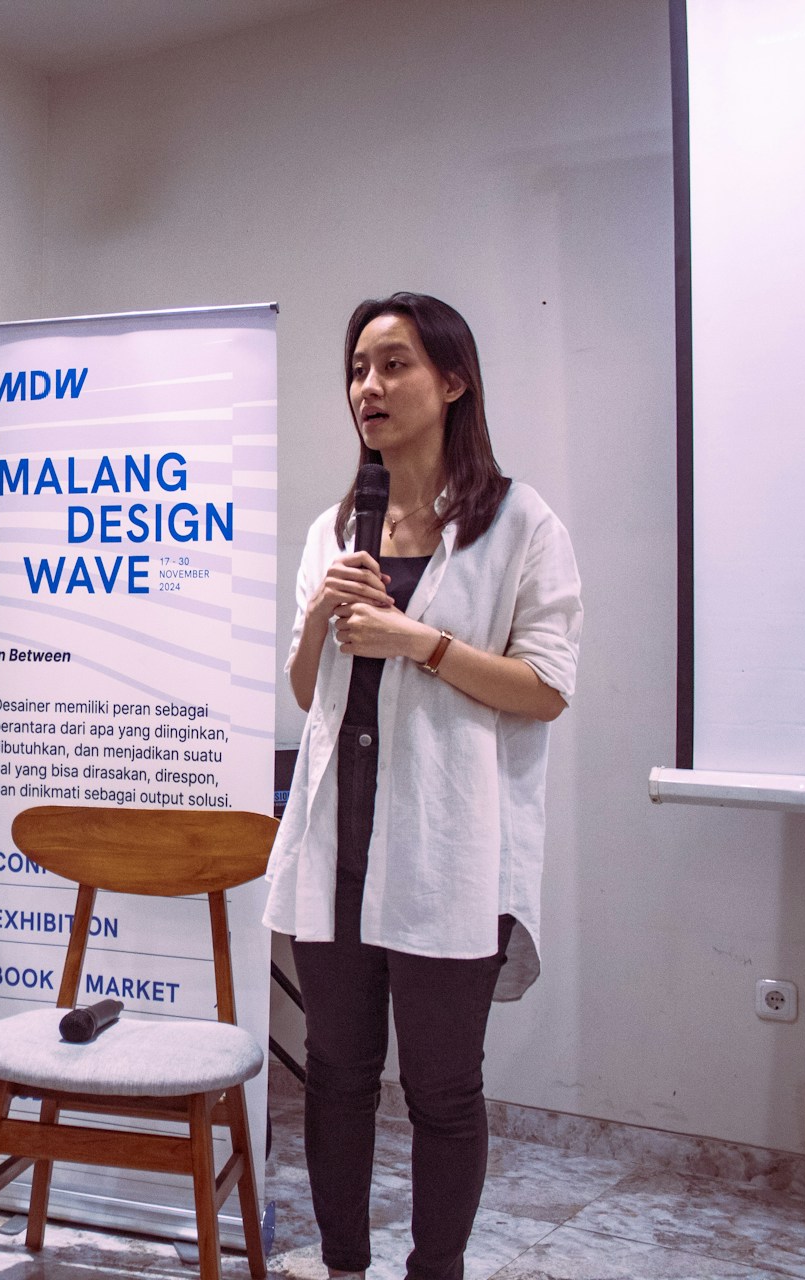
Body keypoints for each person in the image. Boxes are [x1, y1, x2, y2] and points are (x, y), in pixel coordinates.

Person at [262, 293, 582, 1280]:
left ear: (452, 381)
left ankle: (432, 1266)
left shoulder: (519, 523)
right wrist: (320, 615)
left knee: (443, 1088)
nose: (370, 387)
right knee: (337, 1077)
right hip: (338, 847)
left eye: (394, 364)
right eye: (358, 367)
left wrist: (421, 641)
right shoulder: (334, 524)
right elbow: (311, 690)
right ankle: (345, 1264)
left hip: (449, 852)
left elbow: (546, 689)